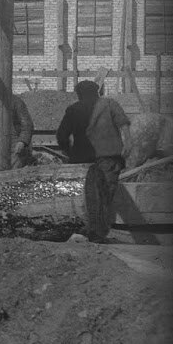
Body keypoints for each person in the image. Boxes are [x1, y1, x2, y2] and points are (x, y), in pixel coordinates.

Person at [56, 80, 131, 242]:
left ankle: (84, 232)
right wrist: (127, 144)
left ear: (79, 94)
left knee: (84, 197)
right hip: (109, 159)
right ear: (97, 91)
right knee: (105, 196)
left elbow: (61, 137)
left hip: (82, 163)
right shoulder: (110, 104)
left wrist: (70, 153)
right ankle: (98, 235)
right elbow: (124, 125)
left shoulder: (73, 109)